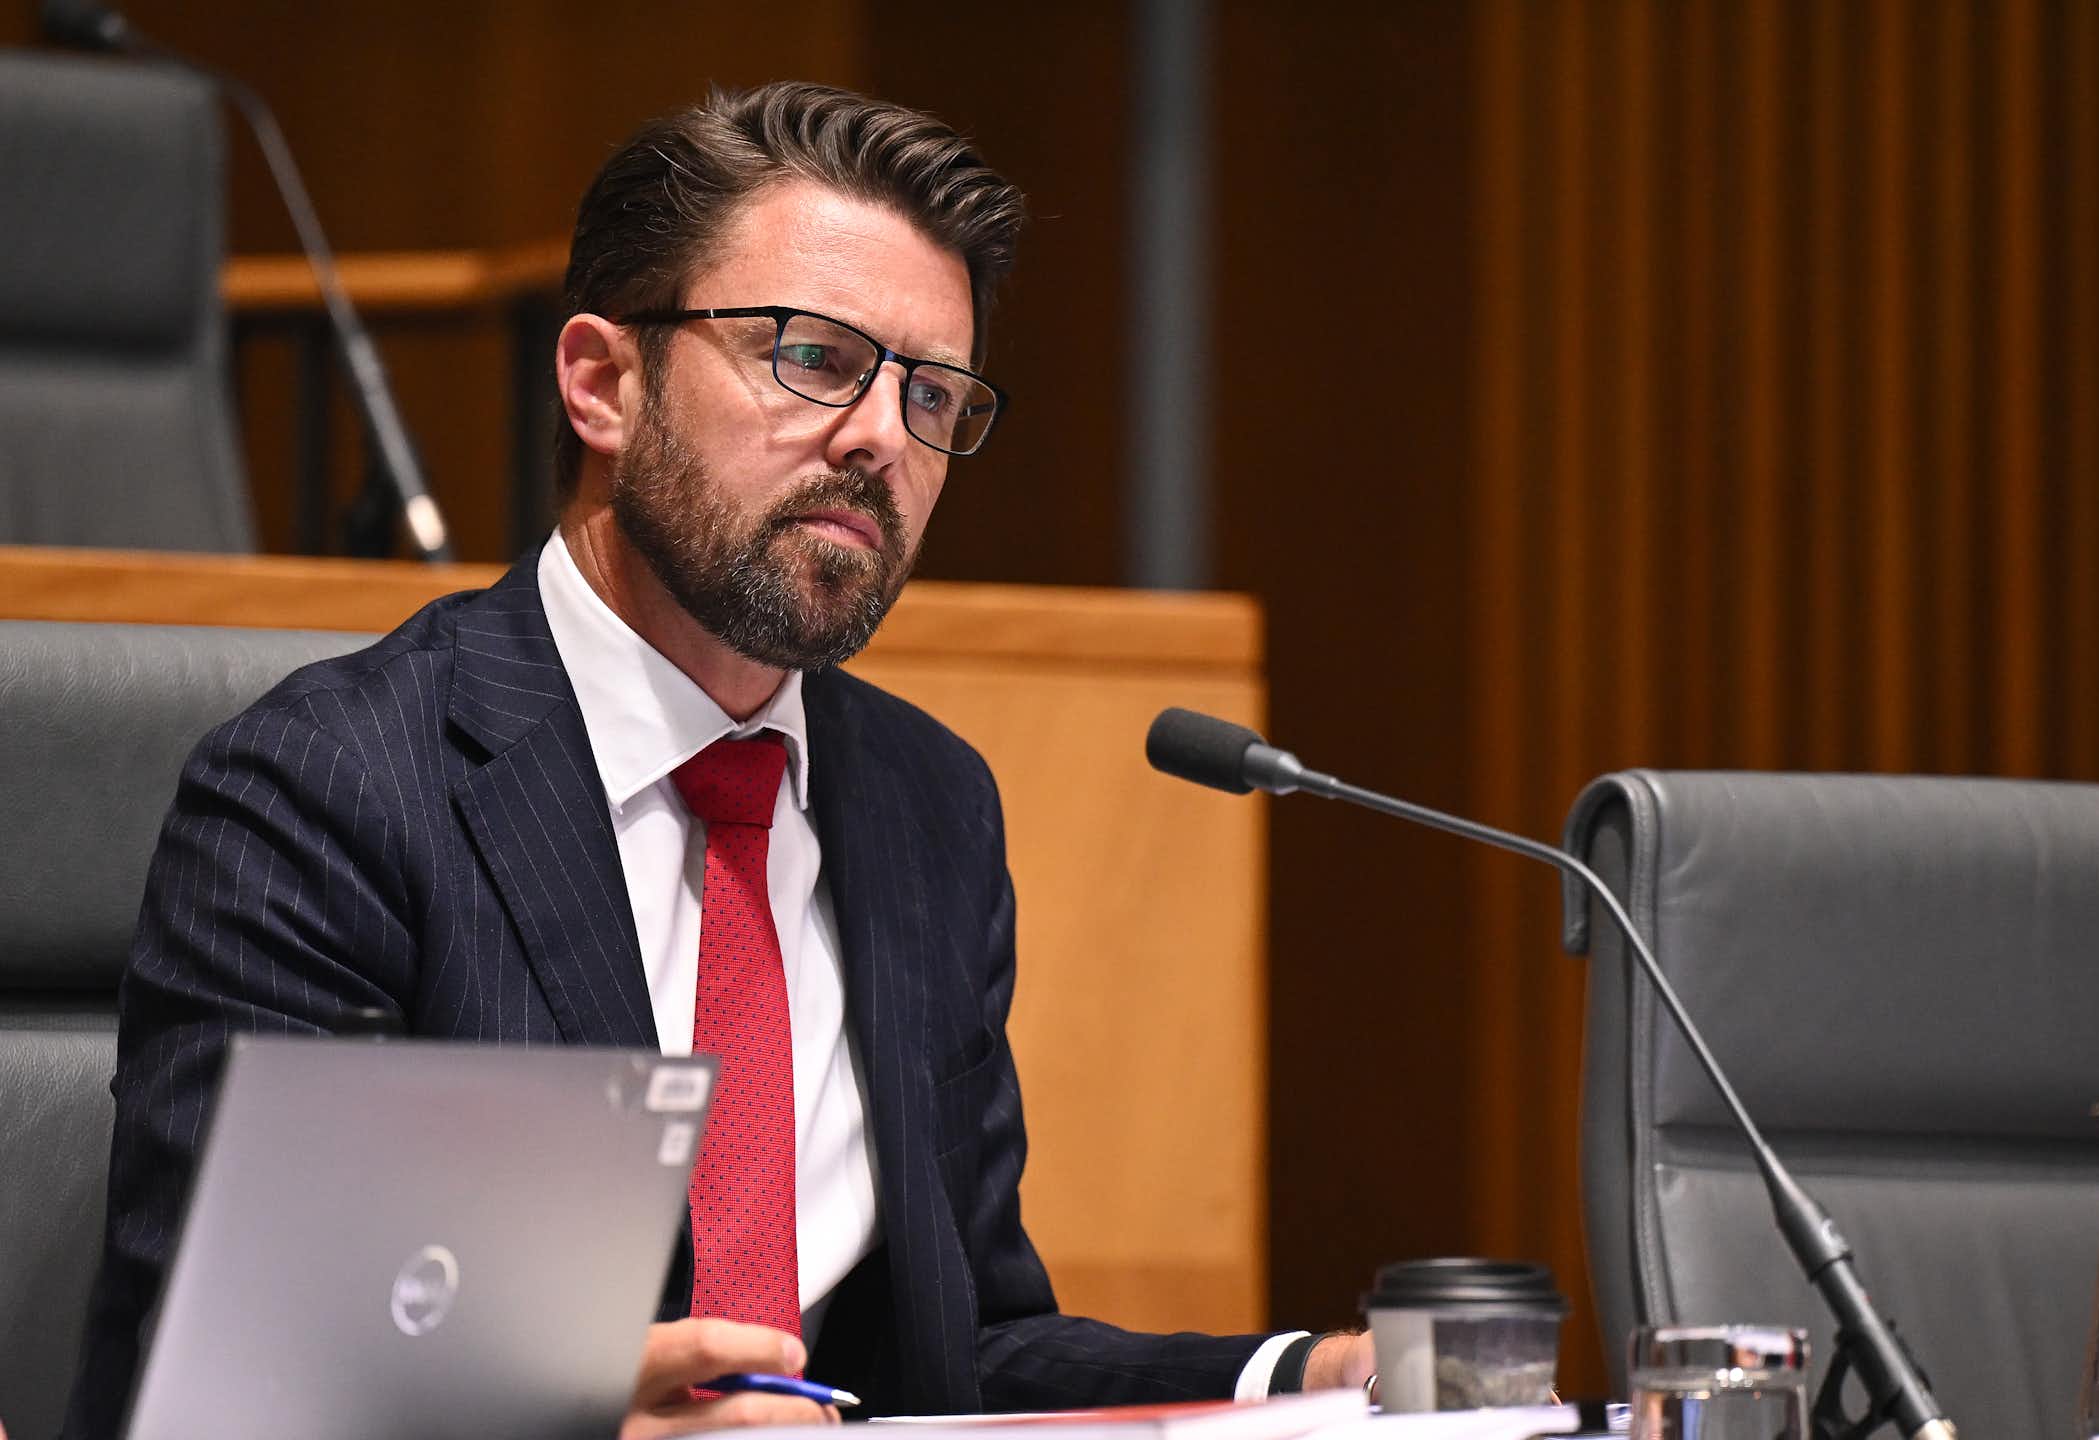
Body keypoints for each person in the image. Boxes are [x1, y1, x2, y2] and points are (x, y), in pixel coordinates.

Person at [66, 83, 1369, 1440]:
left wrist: (1302, 1380)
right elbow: (227, 1388)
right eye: (813, 357)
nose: (880, 439)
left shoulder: (928, 806)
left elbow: (961, 1347)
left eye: (933, 395)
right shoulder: (327, 789)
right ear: (601, 383)